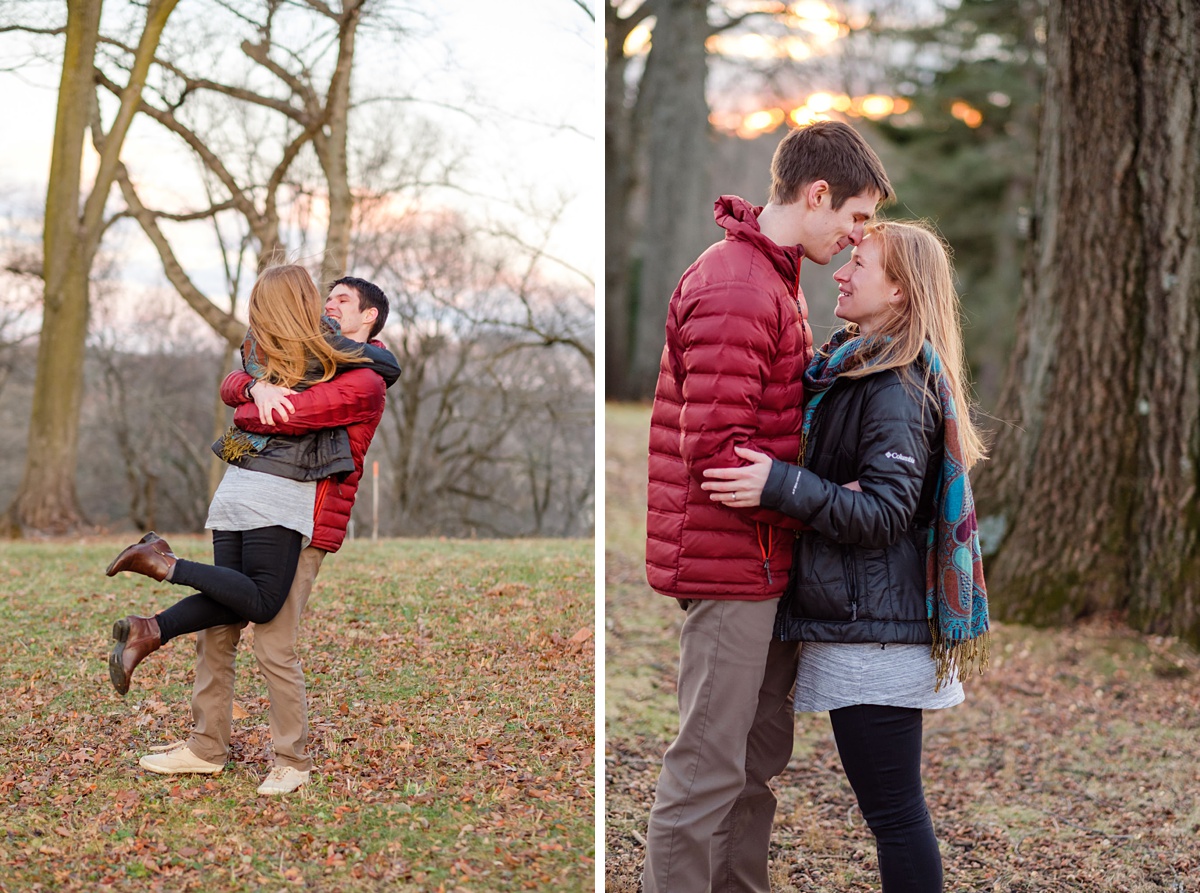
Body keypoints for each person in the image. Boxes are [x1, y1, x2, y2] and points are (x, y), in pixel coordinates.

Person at [701, 219, 990, 892]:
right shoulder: (853, 366)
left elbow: (885, 511)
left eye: (860, 263)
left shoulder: (894, 383)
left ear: (899, 291)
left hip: (876, 638)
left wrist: (781, 483)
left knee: (894, 812)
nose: (841, 271)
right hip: (864, 620)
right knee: (891, 809)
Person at [642, 120, 893, 893]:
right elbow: (718, 453)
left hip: (760, 557)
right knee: (707, 768)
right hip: (730, 563)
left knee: (752, 766)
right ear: (817, 194)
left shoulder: (771, 278)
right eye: (855, 218)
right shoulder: (737, 284)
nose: (856, 239)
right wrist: (811, 496)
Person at [129, 275, 395, 796]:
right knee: (218, 631)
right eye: (326, 298)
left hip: (308, 520)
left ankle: (291, 761)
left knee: (274, 642)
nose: (328, 306)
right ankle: (206, 749)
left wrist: (257, 400)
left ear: (369, 319)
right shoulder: (302, 357)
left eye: (341, 300)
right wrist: (254, 386)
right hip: (256, 501)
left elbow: (290, 415)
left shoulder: (366, 380)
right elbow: (235, 384)